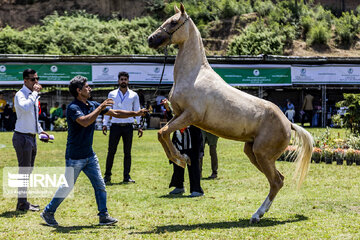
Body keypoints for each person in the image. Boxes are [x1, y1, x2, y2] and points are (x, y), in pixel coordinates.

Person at [40, 75, 147, 227]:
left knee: (100, 185)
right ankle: (48, 212)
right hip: (75, 157)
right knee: (67, 187)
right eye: (87, 87)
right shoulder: (73, 108)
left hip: (90, 156)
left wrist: (135, 114)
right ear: (79, 90)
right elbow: (85, 122)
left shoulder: (92, 104)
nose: (89, 88)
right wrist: (100, 107)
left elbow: (115, 113)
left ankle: (103, 215)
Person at [13, 69, 50, 211]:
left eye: (37, 79)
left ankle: (23, 202)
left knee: (28, 170)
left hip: (31, 137)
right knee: (24, 170)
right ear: (25, 81)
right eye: (33, 79)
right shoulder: (20, 95)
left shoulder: (32, 96)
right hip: (22, 137)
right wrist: (34, 93)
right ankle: (22, 203)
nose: (36, 82)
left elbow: (33, 116)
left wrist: (40, 131)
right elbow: (26, 108)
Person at [102, 71, 143, 184]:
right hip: (115, 126)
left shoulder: (134, 95)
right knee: (111, 152)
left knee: (127, 152)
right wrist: (105, 124)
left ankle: (126, 176)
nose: (123, 81)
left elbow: (137, 110)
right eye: (121, 79)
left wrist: (139, 126)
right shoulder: (112, 94)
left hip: (128, 127)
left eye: (125, 79)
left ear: (128, 81)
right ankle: (107, 176)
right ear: (118, 81)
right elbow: (108, 110)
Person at [162, 99, 204, 197]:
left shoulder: (195, 105)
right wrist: (168, 109)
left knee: (193, 163)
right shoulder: (177, 107)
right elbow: (171, 120)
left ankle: (196, 189)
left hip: (192, 138)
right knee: (177, 162)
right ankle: (178, 186)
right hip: (179, 138)